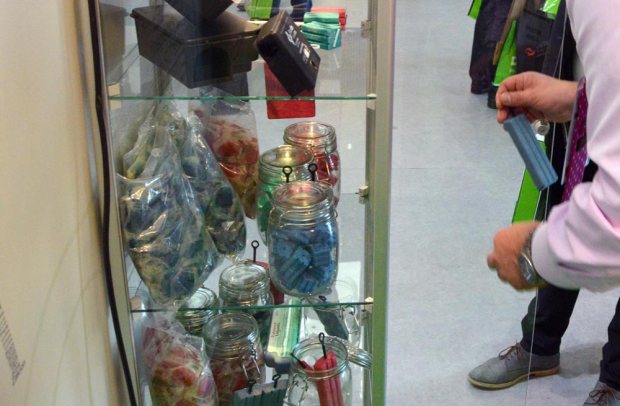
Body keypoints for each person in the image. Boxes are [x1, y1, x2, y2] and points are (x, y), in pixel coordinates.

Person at [467, 1, 620, 404]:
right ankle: (539, 344)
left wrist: (538, 252)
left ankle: (616, 377)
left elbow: (615, 217)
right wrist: (576, 96)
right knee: (566, 200)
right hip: (592, 115)